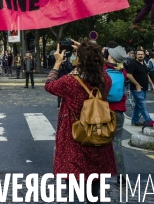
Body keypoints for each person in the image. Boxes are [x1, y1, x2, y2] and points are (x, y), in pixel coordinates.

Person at [45, 40, 117, 202]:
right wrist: (89, 49)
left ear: (80, 60)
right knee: (95, 189)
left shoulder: (70, 82)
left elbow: (49, 85)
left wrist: (57, 63)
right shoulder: (105, 79)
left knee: (74, 187)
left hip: (75, 137)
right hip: (98, 135)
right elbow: (102, 67)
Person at [105, 46, 128, 185]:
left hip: (104, 111)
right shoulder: (123, 72)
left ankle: (97, 174)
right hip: (118, 111)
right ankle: (121, 175)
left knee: (98, 142)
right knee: (117, 143)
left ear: (111, 57)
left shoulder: (103, 71)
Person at [126, 47, 154, 126]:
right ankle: (149, 121)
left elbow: (146, 75)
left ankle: (134, 120)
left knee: (138, 105)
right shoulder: (133, 64)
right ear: (136, 55)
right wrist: (137, 85)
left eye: (142, 54)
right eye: (139, 54)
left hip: (144, 88)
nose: (140, 56)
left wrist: (152, 85)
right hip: (136, 89)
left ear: (144, 55)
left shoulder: (144, 65)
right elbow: (129, 75)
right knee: (142, 105)